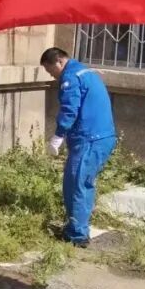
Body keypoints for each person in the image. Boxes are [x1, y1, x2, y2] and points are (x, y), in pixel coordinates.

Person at [40, 47, 117, 248]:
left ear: (59, 61)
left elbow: (69, 110)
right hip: (100, 137)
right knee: (81, 182)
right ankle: (77, 227)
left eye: (50, 70)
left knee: (77, 184)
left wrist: (58, 136)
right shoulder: (85, 72)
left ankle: (77, 235)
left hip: (90, 139)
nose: (52, 75)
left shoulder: (70, 78)